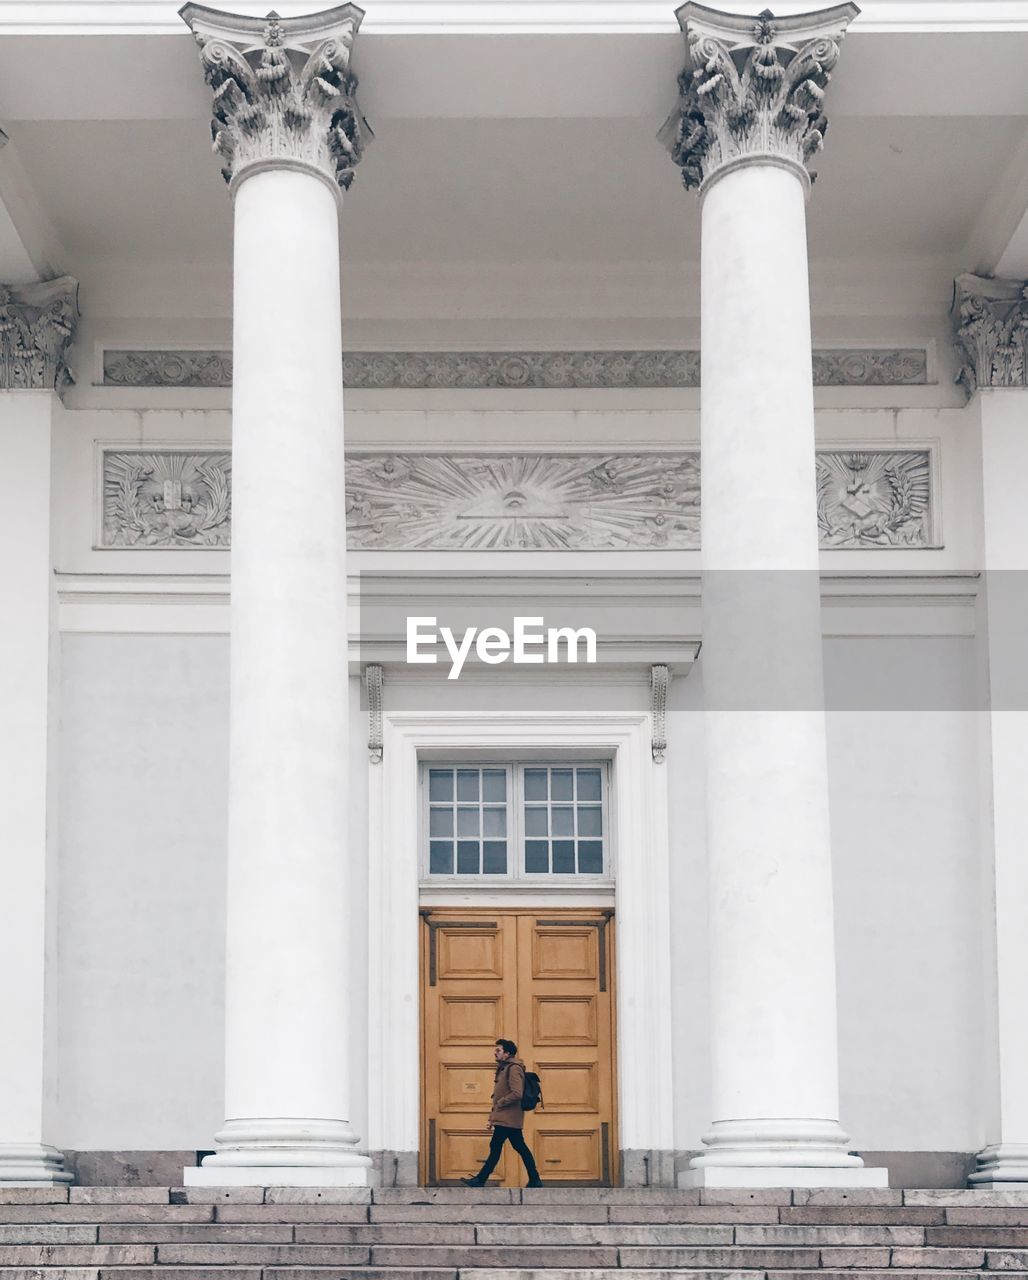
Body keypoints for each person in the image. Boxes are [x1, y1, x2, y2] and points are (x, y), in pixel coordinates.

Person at [461, 1038, 542, 1188]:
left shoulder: (513, 1068)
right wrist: (492, 1118)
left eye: (498, 1050)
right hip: (506, 1118)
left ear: (507, 1053)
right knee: (518, 1147)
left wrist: (500, 1103)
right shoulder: (505, 1068)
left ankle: (480, 1180)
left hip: (508, 1118)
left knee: (497, 1146)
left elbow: (517, 1093)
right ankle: (535, 1179)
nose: (495, 1053)